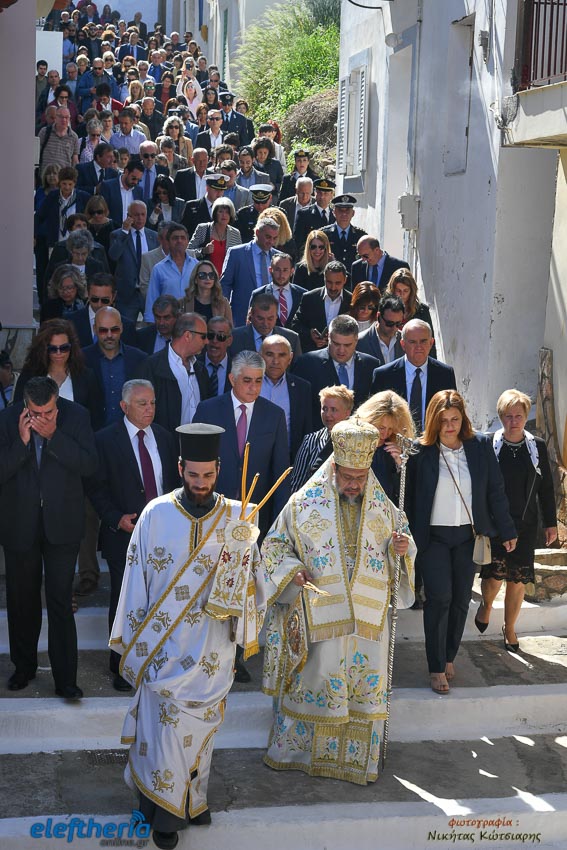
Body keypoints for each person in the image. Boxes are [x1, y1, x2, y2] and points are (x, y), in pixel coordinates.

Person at [109, 423, 268, 847]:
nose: (201, 483)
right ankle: (163, 813)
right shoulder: (155, 514)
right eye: (193, 475)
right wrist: (136, 640)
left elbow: (254, 580)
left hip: (212, 646)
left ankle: (191, 798)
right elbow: (135, 578)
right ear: (180, 468)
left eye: (208, 475)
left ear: (219, 469)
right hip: (162, 645)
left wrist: (244, 597)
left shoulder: (238, 517)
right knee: (162, 726)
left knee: (198, 730)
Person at [262, 417, 415, 783]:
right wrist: (293, 571)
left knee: (360, 684)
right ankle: (299, 755)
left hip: (366, 623)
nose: (353, 484)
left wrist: (402, 549)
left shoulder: (385, 510)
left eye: (360, 478)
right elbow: (273, 547)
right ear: (333, 468)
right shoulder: (302, 505)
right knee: (317, 677)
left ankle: (356, 762)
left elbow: (404, 547)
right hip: (319, 618)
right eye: (347, 477)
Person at [406, 390, 517, 694]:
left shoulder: (479, 446)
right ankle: (436, 667)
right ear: (433, 421)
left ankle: (448, 656)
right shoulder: (420, 451)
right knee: (439, 598)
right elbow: (409, 498)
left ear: (463, 419)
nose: (450, 426)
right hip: (433, 538)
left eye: (455, 419)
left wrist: (507, 530)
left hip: (469, 536)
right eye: (443, 421)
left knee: (459, 600)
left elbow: (495, 490)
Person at [0, 376, 98, 699]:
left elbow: (89, 465)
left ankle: (66, 680)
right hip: (20, 524)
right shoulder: (6, 419)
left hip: (62, 525)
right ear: (25, 405)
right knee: (21, 601)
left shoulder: (77, 416)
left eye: (49, 412)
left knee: (60, 602)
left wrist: (54, 436)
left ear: (57, 401)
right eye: (35, 413)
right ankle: (23, 668)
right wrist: (22, 442)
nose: (42, 418)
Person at [88, 379, 179, 691]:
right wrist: (115, 519)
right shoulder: (105, 440)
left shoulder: (164, 437)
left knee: (159, 599)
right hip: (123, 535)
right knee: (125, 600)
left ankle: (155, 660)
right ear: (124, 406)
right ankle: (121, 665)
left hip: (163, 534)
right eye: (142, 403)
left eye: (152, 403)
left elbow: (171, 484)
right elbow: (96, 488)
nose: (149, 409)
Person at [476, 389, 557, 651]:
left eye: (519, 416)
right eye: (508, 416)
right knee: (494, 576)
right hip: (496, 523)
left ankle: (509, 628)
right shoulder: (489, 445)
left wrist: (551, 523)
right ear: (501, 417)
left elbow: (546, 488)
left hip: (526, 523)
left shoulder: (537, 447)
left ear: (525, 416)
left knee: (517, 579)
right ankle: (487, 604)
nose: (514, 421)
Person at [194, 350, 290, 539]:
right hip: (212, 513)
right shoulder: (208, 410)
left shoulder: (274, 415)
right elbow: (194, 464)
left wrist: (278, 526)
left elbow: (280, 472)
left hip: (256, 517)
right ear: (232, 379)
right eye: (247, 381)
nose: (253, 387)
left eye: (258, 381)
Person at [370, 319, 457, 433]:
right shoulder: (384, 375)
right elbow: (375, 417)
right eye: (412, 342)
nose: (418, 347)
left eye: (423, 341)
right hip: (395, 440)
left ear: (431, 343)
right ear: (403, 344)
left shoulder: (445, 374)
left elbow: (452, 410)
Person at [293, 313, 380, 424]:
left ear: (356, 340)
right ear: (329, 337)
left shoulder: (371, 365)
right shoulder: (307, 364)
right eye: (336, 344)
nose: (341, 350)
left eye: (347, 345)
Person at [14, 319, 100, 425]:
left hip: (75, 434)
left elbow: (95, 417)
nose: (59, 353)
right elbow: (18, 410)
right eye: (53, 349)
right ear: (44, 349)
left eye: (64, 348)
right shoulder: (30, 374)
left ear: (72, 347)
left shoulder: (86, 376)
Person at [136, 312, 209, 431]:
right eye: (203, 336)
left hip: (198, 440)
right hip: (165, 440)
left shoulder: (201, 369)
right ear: (187, 336)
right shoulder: (151, 367)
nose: (207, 342)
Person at [220, 216, 281, 326]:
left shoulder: (279, 257)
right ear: (257, 232)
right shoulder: (237, 253)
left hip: (270, 320)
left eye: (275, 238)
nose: (271, 241)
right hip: (241, 317)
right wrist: (224, 314)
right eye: (268, 237)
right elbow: (225, 285)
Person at [356, 390, 415, 503]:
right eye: (381, 428)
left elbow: (406, 495)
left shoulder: (396, 450)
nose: (385, 434)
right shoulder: (353, 442)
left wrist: (400, 465)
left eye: (390, 429)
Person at [260, 335, 312, 460]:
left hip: (288, 460)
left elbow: (306, 429)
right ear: (260, 356)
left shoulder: (302, 388)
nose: (275, 361)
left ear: (290, 358)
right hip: (251, 459)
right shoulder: (248, 384)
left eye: (282, 355)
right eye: (270, 354)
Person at [109, 200, 160, 321]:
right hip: (126, 295)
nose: (140, 218)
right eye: (136, 215)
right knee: (125, 327)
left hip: (148, 293)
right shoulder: (118, 235)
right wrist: (124, 232)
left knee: (152, 326)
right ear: (129, 216)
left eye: (143, 214)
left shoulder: (154, 236)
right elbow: (114, 255)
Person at [291, 260, 352, 354]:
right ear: (324, 278)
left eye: (338, 283)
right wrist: (310, 334)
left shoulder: (352, 301)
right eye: (329, 282)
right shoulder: (309, 298)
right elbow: (295, 324)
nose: (333, 287)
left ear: (345, 280)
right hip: (314, 354)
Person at [144, 223, 198, 320]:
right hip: (167, 321)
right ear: (168, 242)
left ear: (187, 241)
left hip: (192, 320)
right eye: (175, 238)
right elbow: (152, 298)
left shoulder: (197, 266)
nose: (179, 241)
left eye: (183, 238)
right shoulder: (159, 269)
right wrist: (151, 321)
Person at [229, 292, 301, 362]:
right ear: (251, 315)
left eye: (270, 319)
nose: (265, 324)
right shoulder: (234, 337)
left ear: (276, 316)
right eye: (260, 319)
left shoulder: (291, 338)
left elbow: (297, 368)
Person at [248, 252, 305, 328]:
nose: (281, 274)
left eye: (285, 270)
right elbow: (251, 324)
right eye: (277, 270)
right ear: (270, 270)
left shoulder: (303, 294)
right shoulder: (259, 294)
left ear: (292, 271)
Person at [187, 197, 242, 274]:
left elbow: (239, 260)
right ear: (215, 213)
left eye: (227, 212)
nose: (224, 215)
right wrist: (203, 251)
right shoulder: (203, 228)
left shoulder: (235, 233)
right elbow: (188, 253)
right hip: (205, 277)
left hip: (227, 278)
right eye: (220, 211)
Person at [385, 267, 435, 337]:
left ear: (412, 291)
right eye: (398, 291)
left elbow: (429, 338)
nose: (402, 294)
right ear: (392, 290)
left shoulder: (422, 311)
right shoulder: (385, 309)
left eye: (406, 291)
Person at [321, 194, 366, 273]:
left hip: (353, 278)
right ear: (334, 212)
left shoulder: (361, 236)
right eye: (340, 210)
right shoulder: (324, 234)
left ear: (353, 213)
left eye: (347, 211)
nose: (344, 214)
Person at [357, 294, 405, 365]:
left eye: (398, 324)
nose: (394, 328)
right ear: (378, 316)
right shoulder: (360, 342)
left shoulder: (406, 341)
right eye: (389, 323)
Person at [293, 177, 335, 253]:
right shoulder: (304, 214)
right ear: (315, 193)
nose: (322, 197)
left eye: (325, 194)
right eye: (319, 193)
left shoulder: (335, 215)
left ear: (332, 195)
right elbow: (298, 242)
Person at [199, 317, 233, 397]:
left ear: (229, 341)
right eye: (210, 335)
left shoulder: (236, 368)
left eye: (221, 336)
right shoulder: (194, 364)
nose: (214, 341)